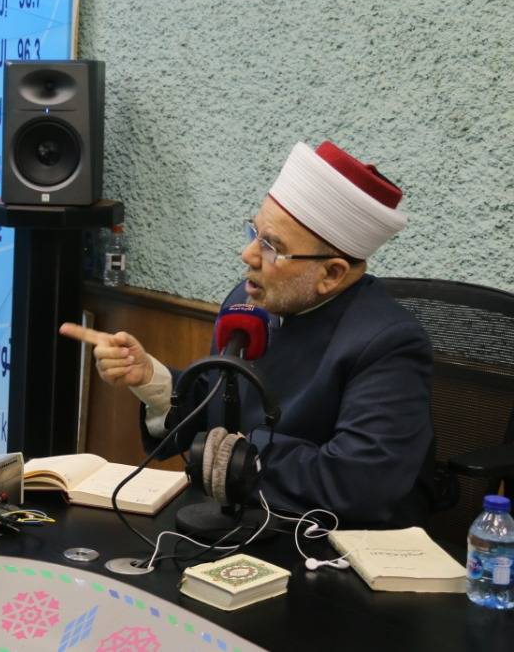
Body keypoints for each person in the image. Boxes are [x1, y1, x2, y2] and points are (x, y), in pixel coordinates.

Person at [61, 140, 437, 526]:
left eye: (271, 246)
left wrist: (242, 458)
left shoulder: (388, 343)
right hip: (238, 522)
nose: (248, 254)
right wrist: (149, 378)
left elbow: (359, 482)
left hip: (323, 539)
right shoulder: (247, 302)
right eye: (254, 232)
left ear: (331, 274)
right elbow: (218, 409)